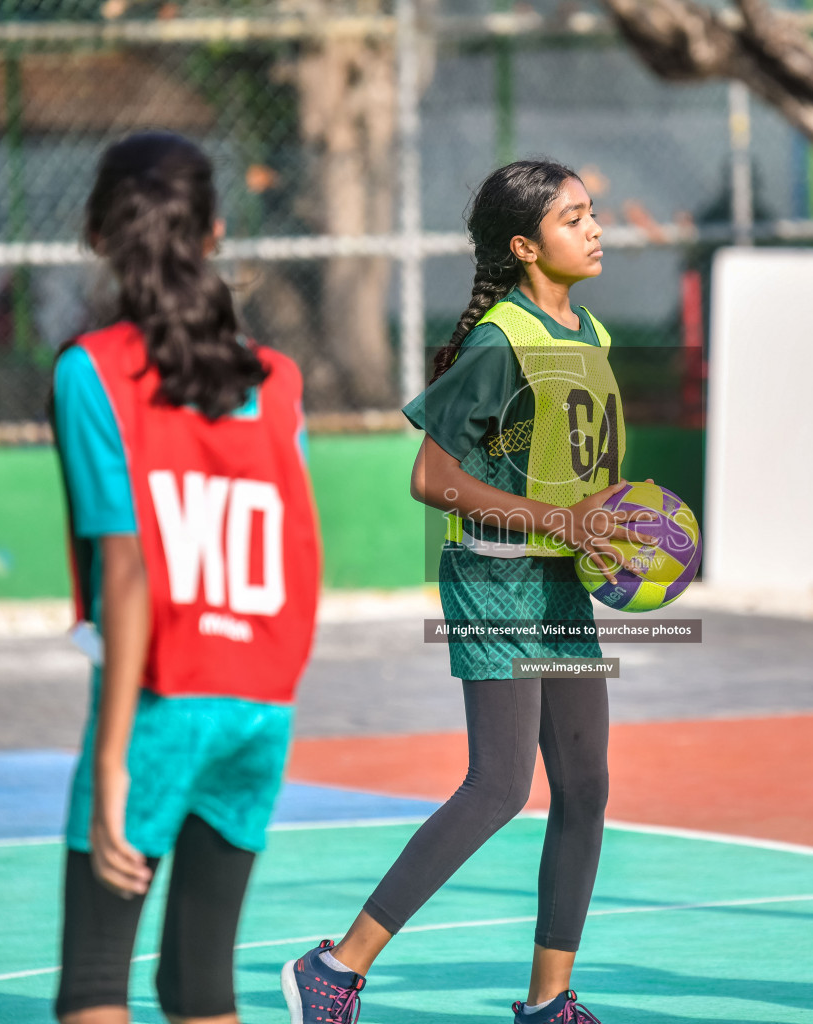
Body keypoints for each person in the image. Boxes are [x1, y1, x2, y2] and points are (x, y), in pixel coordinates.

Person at [281, 159, 648, 1024]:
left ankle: (549, 1001)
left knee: (587, 786)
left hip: (560, 587)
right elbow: (429, 476)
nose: (594, 229)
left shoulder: (590, 336)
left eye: (592, 214)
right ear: (524, 247)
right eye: (572, 219)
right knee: (497, 785)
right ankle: (335, 968)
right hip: (496, 579)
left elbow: (580, 475)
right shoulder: (501, 342)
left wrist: (617, 532)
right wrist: (553, 524)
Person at [51, 131, 322, 1024]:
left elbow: (123, 573)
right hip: (262, 703)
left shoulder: (92, 370)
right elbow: (299, 544)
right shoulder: (277, 380)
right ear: (214, 232)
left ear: (98, 234)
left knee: (96, 986)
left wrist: (113, 762)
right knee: (199, 985)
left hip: (165, 697)